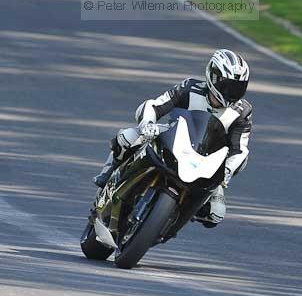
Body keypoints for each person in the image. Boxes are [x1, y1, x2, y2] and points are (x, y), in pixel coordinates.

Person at [93, 48, 252, 228]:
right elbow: (155, 105)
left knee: (215, 214)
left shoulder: (242, 112)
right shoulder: (190, 88)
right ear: (213, 77)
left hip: (207, 161)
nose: (232, 92)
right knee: (128, 136)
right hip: (173, 138)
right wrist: (147, 123)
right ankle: (108, 173)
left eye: (239, 87)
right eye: (228, 86)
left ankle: (171, 220)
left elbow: (240, 150)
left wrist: (227, 171)